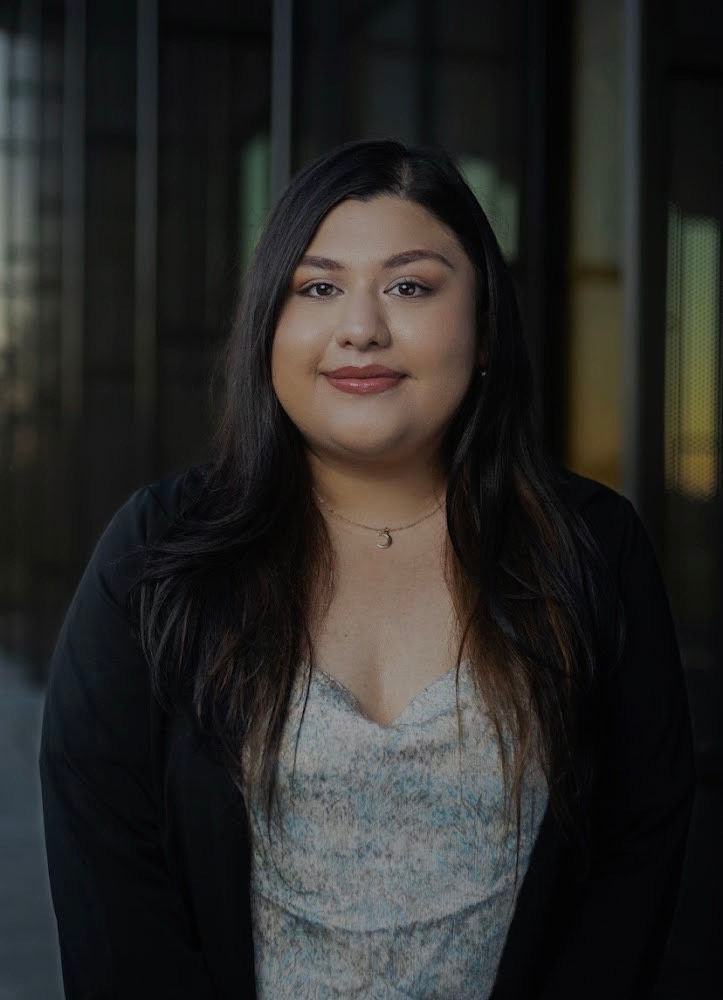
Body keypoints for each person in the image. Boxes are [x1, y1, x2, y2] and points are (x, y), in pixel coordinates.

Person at [38, 138, 695, 999]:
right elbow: (110, 882)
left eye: (410, 287)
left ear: (484, 327)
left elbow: (636, 852)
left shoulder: (590, 547)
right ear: (268, 326)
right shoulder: (159, 553)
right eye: (317, 288)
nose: (360, 328)